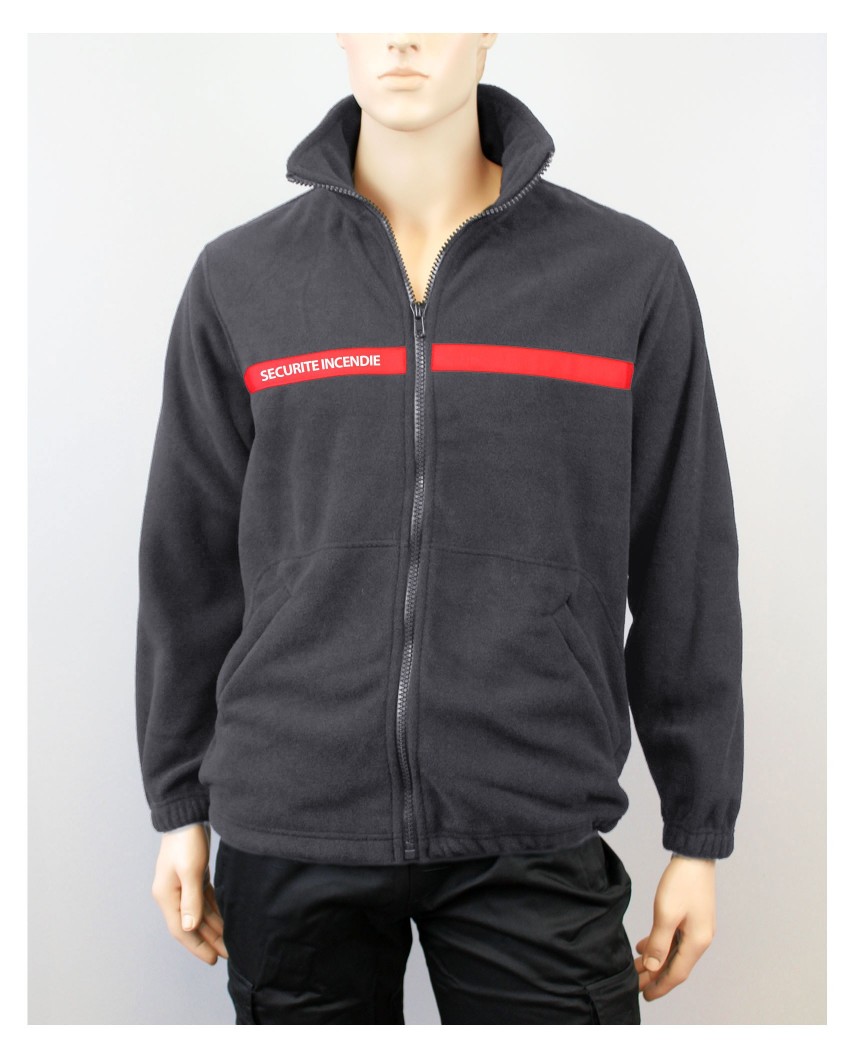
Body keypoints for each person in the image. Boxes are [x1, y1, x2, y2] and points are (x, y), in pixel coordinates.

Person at [137, 33, 744, 1024]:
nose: (403, 33)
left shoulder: (624, 275)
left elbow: (688, 560)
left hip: (530, 815)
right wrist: (179, 806)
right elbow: (187, 564)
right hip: (293, 817)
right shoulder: (242, 278)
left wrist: (698, 830)